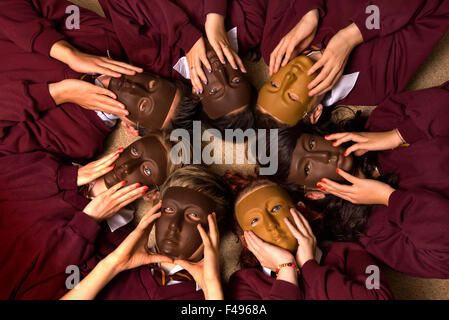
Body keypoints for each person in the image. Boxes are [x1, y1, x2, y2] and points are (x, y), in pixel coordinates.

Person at [273, 82, 449, 278]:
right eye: (307, 168)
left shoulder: (384, 120)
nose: (324, 156)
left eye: (312, 144)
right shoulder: (374, 233)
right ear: (315, 193)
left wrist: (397, 135)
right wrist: (390, 198)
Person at [0, 131, 183, 299]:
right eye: (134, 151)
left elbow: (40, 287)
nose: (127, 167)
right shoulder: (55, 167)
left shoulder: (119, 244)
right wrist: (67, 177)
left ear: (152, 194)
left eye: (147, 170)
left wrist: (88, 222)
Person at [256, 0, 449, 129]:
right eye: (291, 96)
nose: (287, 77)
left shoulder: (274, 47)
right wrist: (352, 35)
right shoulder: (377, 84)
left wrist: (308, 11)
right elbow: (436, 8)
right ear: (316, 112)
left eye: (273, 84)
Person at [0, 0, 144, 160]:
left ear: (133, 128)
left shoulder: (81, 142)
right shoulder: (103, 36)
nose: (137, 88)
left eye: (146, 104)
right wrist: (68, 53)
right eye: (152, 84)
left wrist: (57, 94)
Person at [62, 165, 230, 300]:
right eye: (169, 209)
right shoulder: (108, 251)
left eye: (193, 215)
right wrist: (113, 264)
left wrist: (212, 291)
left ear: (217, 229)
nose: (174, 225)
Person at [98, 0, 265, 131]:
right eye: (236, 81)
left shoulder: (158, 64)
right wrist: (215, 19)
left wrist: (187, 38)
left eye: (215, 91)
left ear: (197, 93)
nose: (221, 72)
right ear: (246, 74)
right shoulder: (250, 27)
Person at [222, 175, 392, 300]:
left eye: (275, 209)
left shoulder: (350, 253)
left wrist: (310, 267)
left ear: (301, 210)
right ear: (246, 241)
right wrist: (286, 270)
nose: (271, 224)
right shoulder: (245, 283)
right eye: (255, 220)